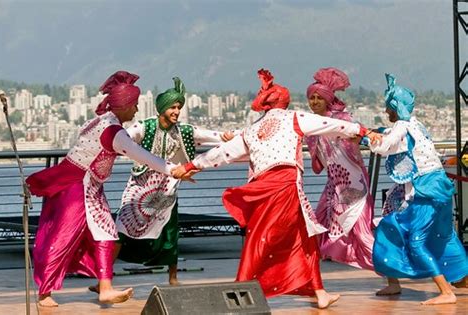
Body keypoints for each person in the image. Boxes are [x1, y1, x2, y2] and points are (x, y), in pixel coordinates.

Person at [173, 69, 380, 309]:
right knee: (290, 239)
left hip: (261, 187)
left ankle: (317, 292)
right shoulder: (293, 118)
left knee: (275, 238)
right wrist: (362, 131)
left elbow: (223, 153)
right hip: (286, 186)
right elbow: (330, 124)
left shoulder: (252, 129)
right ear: (285, 101)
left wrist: (191, 165)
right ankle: (241, 289)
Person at [26, 71, 180, 307]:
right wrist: (173, 170)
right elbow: (141, 155)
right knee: (62, 237)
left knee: (106, 233)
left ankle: (105, 288)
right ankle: (45, 293)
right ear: (125, 105)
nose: (137, 110)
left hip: (89, 186)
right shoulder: (113, 131)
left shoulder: (102, 122)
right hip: (76, 188)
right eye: (135, 105)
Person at [109, 77, 233, 286]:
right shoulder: (144, 127)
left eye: (179, 107)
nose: (176, 111)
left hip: (167, 190)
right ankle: (105, 278)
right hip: (140, 189)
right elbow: (121, 140)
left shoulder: (184, 131)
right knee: (121, 229)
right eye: (173, 107)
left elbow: (215, 136)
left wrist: (228, 136)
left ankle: (173, 278)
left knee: (170, 234)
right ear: (161, 109)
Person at [368, 74, 468, 305]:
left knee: (413, 240)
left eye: (388, 108)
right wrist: (377, 131)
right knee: (444, 235)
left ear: (394, 107)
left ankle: (446, 291)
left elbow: (384, 146)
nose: (386, 112)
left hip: (425, 191)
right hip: (440, 187)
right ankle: (459, 278)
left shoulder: (402, 127)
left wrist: (367, 137)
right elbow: (392, 134)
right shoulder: (416, 124)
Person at [305, 68, 374, 270]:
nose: (315, 101)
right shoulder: (312, 127)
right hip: (333, 184)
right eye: (312, 98)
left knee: (361, 229)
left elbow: (356, 135)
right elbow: (318, 165)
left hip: (354, 183)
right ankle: (310, 271)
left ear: (328, 99)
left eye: (319, 98)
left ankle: (388, 271)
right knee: (317, 224)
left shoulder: (342, 120)